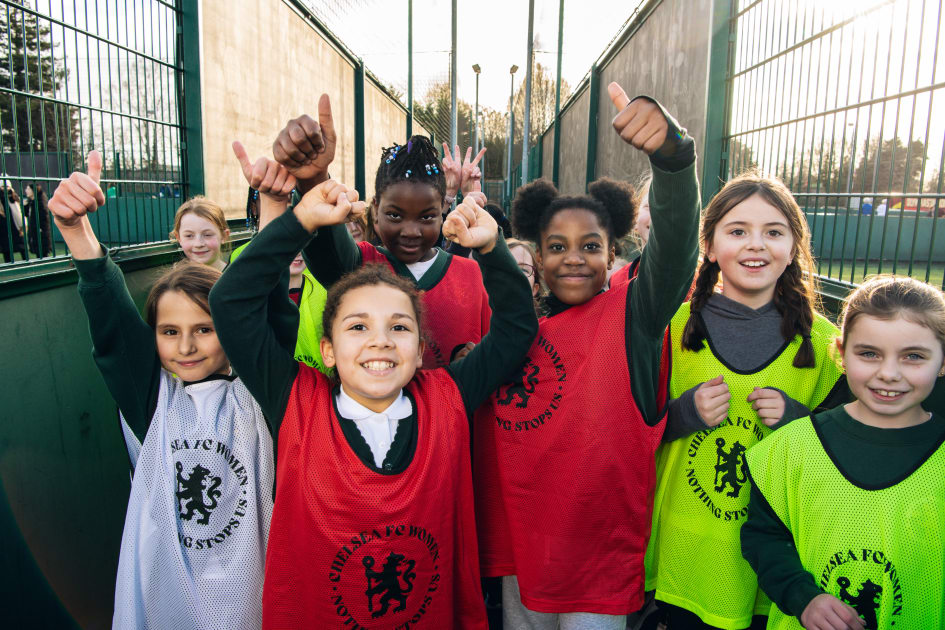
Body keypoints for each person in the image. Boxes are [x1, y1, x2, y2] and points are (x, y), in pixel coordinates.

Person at [208, 176, 538, 628]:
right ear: (328, 350)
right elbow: (229, 302)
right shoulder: (294, 400)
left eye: (399, 327)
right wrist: (299, 220)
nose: (380, 342)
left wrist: (492, 248)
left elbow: (517, 329)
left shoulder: (449, 398)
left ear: (421, 350)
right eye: (358, 327)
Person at [474, 82, 700, 630]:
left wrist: (673, 161)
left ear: (613, 252)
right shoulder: (513, 326)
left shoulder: (634, 314)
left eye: (591, 246)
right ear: (537, 254)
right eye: (557, 247)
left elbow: (675, 247)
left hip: (598, 563)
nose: (573, 259)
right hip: (523, 555)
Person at [47, 151, 278, 630]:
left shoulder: (260, 395)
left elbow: (267, 303)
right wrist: (77, 233)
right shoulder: (151, 401)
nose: (186, 346)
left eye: (205, 329)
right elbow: (110, 318)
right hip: (165, 598)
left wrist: (273, 206)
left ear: (231, 333)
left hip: (247, 597)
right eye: (169, 331)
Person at [643, 173, 846, 630]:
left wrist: (801, 423)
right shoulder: (670, 327)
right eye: (738, 231)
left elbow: (846, 457)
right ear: (710, 246)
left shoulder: (829, 347)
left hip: (775, 569)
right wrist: (680, 416)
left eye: (773, 232)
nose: (756, 245)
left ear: (793, 247)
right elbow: (627, 429)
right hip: (685, 553)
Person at [742, 275, 945, 630]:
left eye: (913, 356)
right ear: (840, 353)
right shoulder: (790, 448)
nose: (889, 373)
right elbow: (764, 538)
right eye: (869, 353)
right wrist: (802, 598)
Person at [272, 95, 491, 369]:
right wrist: (312, 179)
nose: (410, 231)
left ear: (442, 211)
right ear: (374, 211)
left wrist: (476, 366)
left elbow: (494, 352)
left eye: (426, 217)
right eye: (395, 215)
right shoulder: (360, 265)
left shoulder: (470, 275)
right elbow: (326, 247)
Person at [170, 196, 231, 270]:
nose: (198, 244)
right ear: (179, 238)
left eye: (207, 235)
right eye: (189, 236)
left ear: (224, 236)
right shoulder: (174, 280)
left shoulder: (238, 277)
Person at [25, 184, 53, 257]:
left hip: (40, 231)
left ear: (33, 191)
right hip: (34, 231)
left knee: (42, 252)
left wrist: (41, 229)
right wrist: (25, 205)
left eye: (28, 189)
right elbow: (26, 214)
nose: (26, 191)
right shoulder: (32, 202)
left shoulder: (40, 202)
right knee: (38, 252)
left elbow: (44, 217)